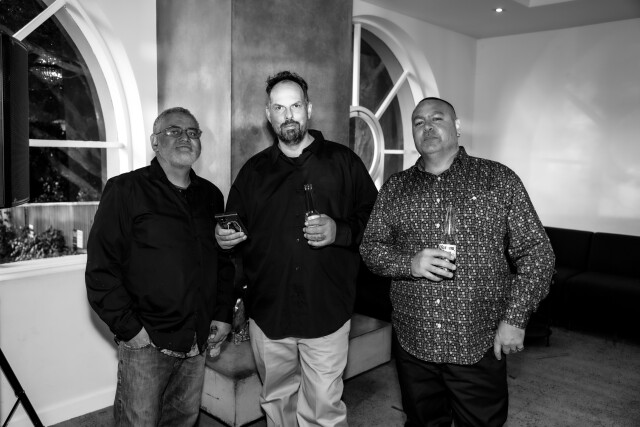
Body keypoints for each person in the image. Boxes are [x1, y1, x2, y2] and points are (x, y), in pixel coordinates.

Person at [359, 97, 555, 427]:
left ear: (457, 126)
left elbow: (537, 253)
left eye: (437, 118)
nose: (427, 127)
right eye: (418, 122)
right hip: (414, 342)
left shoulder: (498, 180)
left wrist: (515, 318)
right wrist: (409, 264)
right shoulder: (395, 188)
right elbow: (370, 249)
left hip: (477, 341)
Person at [216, 71, 378, 427]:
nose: (288, 115)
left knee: (323, 412)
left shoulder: (344, 163)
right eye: (279, 108)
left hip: (327, 310)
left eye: (295, 106)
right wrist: (224, 237)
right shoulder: (253, 172)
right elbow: (233, 227)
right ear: (268, 115)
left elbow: (376, 220)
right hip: (269, 313)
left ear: (309, 109)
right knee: (277, 404)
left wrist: (339, 230)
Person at [85, 107, 235, 426]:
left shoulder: (211, 196)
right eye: (174, 131)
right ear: (155, 142)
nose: (185, 137)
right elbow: (101, 268)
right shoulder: (125, 190)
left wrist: (222, 314)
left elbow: (221, 260)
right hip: (147, 342)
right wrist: (130, 330)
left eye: (192, 132)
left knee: (183, 421)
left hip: (196, 340)